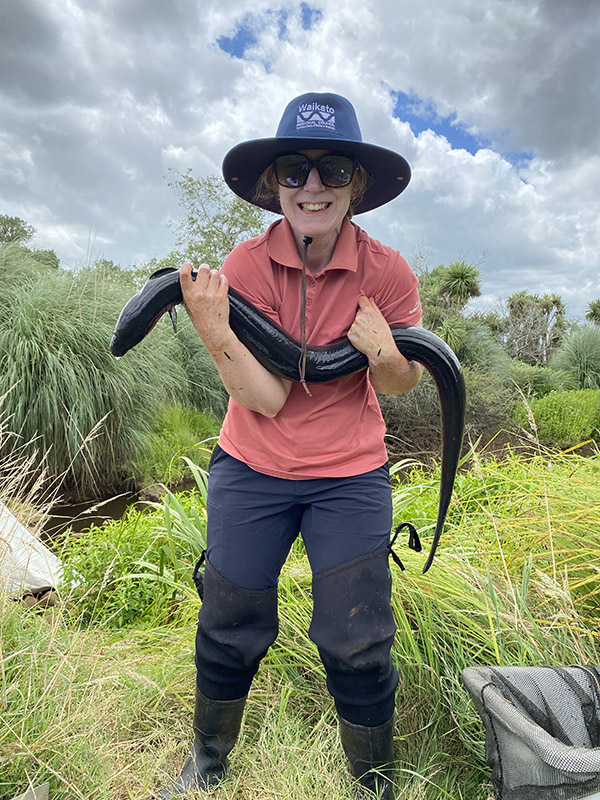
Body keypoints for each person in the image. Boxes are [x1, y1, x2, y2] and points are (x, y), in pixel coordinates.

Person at [158, 91, 423, 800]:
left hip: (350, 474)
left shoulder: (389, 272)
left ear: (356, 185)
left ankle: (373, 780)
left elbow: (401, 384)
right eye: (294, 171)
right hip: (254, 465)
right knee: (229, 620)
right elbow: (268, 398)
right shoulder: (243, 268)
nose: (312, 186)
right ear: (274, 185)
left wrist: (383, 355)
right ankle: (207, 763)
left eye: (333, 169)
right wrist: (216, 330)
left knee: (357, 637)